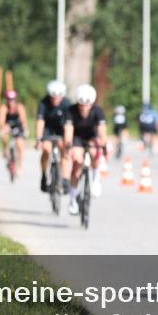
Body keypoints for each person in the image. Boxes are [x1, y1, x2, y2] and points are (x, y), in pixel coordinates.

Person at [63, 84, 107, 215]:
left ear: (92, 104)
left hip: (92, 136)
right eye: (81, 105)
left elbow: (102, 131)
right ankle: (73, 199)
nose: (83, 108)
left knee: (94, 152)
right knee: (77, 164)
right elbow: (68, 130)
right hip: (77, 137)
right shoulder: (71, 110)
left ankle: (96, 176)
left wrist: (103, 144)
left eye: (87, 105)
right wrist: (68, 145)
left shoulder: (98, 110)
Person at [35, 80, 71, 193]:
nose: (55, 100)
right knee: (46, 149)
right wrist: (39, 139)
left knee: (65, 150)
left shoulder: (67, 104)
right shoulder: (43, 103)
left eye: (58, 97)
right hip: (48, 128)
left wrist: (68, 142)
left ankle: (65, 179)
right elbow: (40, 122)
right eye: (53, 97)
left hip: (62, 128)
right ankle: (44, 176)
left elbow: (69, 125)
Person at [0, 90, 27, 175]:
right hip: (8, 126)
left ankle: (20, 166)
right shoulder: (4, 108)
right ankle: (5, 149)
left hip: (18, 126)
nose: (11, 101)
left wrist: (25, 129)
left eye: (13, 99)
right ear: (7, 100)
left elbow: (23, 120)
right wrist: (4, 127)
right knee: (4, 136)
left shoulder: (19, 107)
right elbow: (1, 120)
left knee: (20, 144)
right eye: (9, 99)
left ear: (15, 99)